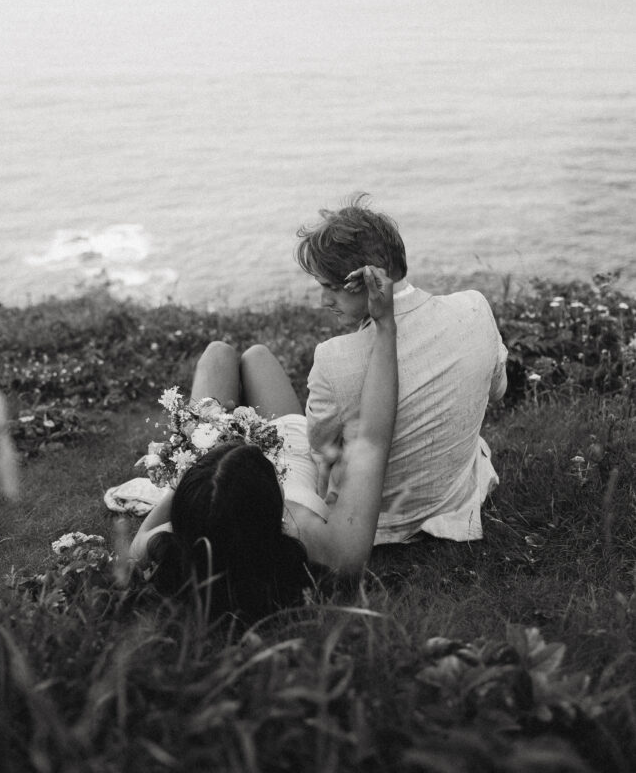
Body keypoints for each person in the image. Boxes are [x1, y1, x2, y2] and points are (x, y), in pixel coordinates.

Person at [129, 264, 398, 622]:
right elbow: (372, 440)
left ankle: (214, 435)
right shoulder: (332, 551)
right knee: (257, 356)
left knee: (217, 354)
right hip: (289, 449)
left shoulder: (165, 545)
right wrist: (386, 325)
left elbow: (145, 533)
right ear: (275, 502)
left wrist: (196, 469)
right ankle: (222, 442)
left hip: (215, 476)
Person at [295, 193, 508, 545]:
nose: (324, 301)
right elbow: (498, 392)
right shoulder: (474, 308)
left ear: (364, 280)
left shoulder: (333, 359)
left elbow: (319, 448)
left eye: (331, 288)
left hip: (371, 524)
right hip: (453, 500)